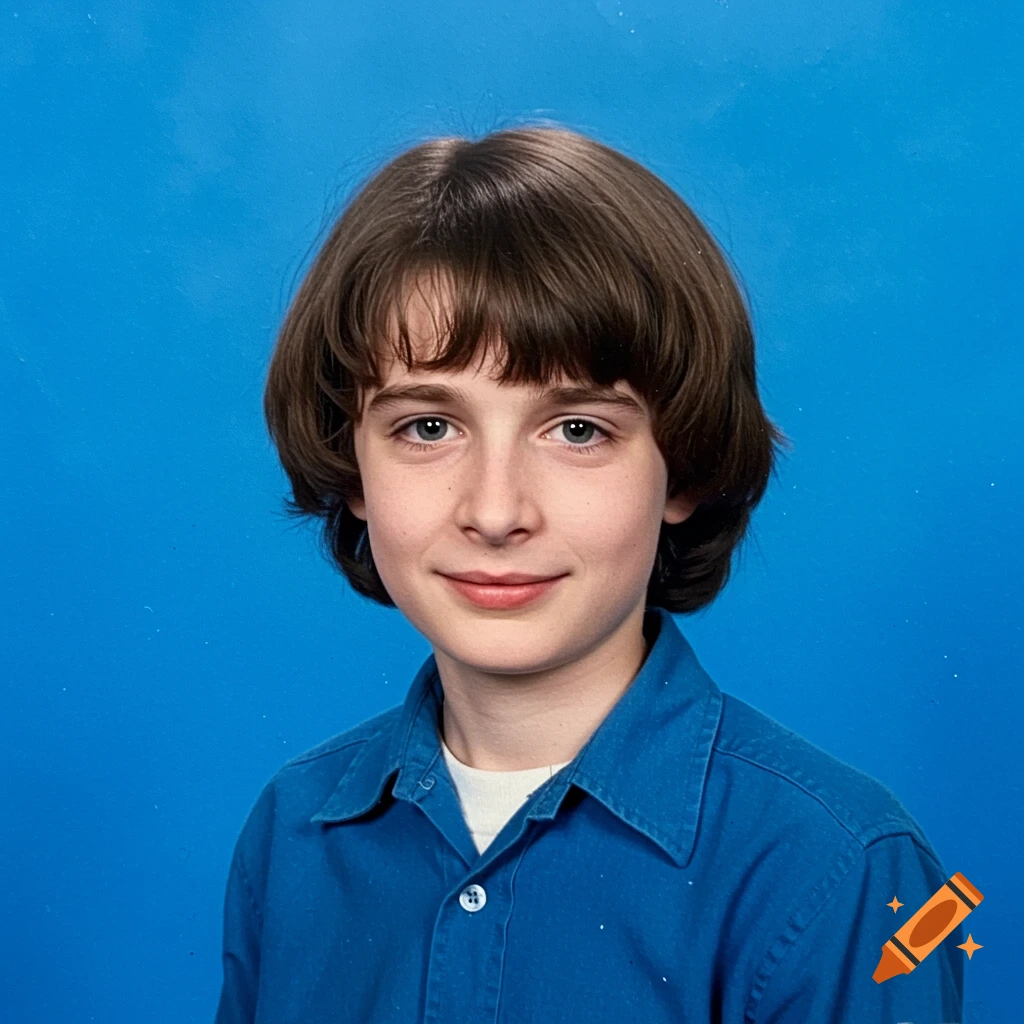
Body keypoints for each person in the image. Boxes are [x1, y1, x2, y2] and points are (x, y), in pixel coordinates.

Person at [214, 124, 963, 1023]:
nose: (495, 512)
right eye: (427, 427)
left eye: (577, 430)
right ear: (353, 465)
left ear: (681, 468)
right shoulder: (294, 835)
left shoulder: (839, 867)